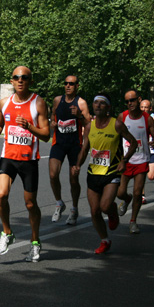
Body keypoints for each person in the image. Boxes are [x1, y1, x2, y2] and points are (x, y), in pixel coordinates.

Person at [0, 66, 50, 262]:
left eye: (24, 77)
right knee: (1, 194)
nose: (20, 80)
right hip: (8, 157)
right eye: (16, 77)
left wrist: (29, 126)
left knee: (30, 204)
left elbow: (46, 135)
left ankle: (35, 242)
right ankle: (7, 233)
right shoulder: (5, 102)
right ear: (11, 81)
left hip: (29, 161)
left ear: (30, 81)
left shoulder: (38, 103)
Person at [72, 93, 137, 253]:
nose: (98, 105)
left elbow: (134, 143)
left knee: (105, 206)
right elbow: (85, 148)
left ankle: (112, 210)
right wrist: (77, 165)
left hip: (112, 173)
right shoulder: (89, 127)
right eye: (95, 103)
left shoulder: (117, 125)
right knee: (94, 211)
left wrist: (124, 160)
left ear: (108, 108)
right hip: (93, 173)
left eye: (102, 103)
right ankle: (104, 240)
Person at [49, 75, 91, 225]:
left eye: (71, 84)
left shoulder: (81, 103)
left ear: (77, 86)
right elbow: (53, 117)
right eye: (66, 83)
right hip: (59, 143)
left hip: (75, 144)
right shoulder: (57, 100)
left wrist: (79, 115)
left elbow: (88, 124)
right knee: (53, 174)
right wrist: (52, 124)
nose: (68, 86)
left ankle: (74, 209)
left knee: (74, 178)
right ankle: (59, 203)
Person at [116, 90, 154, 234]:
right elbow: (116, 136)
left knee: (137, 192)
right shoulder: (122, 116)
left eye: (132, 100)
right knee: (120, 192)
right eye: (127, 101)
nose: (130, 103)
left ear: (139, 100)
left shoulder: (147, 119)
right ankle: (126, 200)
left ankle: (133, 221)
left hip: (141, 160)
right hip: (126, 160)